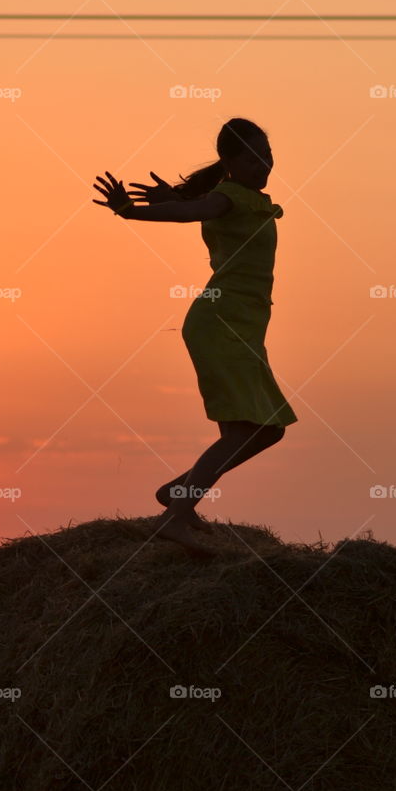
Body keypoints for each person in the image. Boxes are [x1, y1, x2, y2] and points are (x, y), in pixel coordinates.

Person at [93, 117, 299, 555]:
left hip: (243, 325)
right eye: (254, 157)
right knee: (243, 431)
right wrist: (130, 211)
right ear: (231, 161)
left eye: (269, 156)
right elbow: (187, 212)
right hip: (222, 323)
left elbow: (190, 203)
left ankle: (180, 493)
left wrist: (177, 196)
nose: (264, 165)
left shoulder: (240, 198)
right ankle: (176, 516)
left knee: (268, 430)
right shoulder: (227, 198)